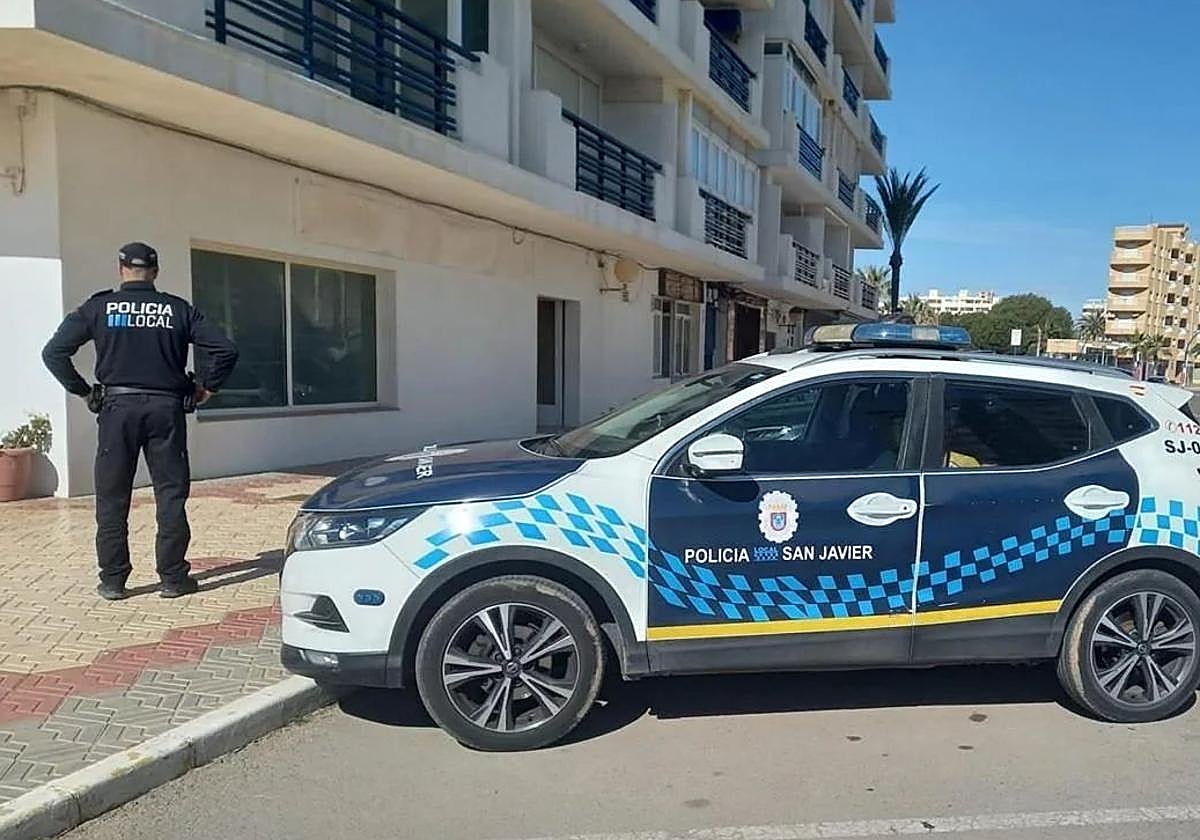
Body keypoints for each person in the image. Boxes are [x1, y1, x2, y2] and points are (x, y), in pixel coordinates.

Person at [42, 243, 238, 601]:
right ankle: (173, 578)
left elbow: (53, 353)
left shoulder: (99, 307)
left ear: (120, 270)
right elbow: (225, 348)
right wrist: (207, 387)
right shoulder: (177, 309)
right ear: (156, 272)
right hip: (167, 410)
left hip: (117, 411)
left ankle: (114, 580)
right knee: (170, 495)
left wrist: (85, 392)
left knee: (113, 498)